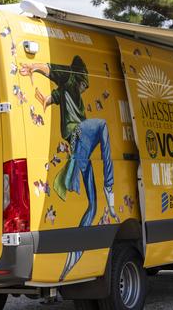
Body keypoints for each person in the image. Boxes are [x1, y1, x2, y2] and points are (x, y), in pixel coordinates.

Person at [20, 56, 119, 281]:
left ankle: (71, 261)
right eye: (85, 81)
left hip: (79, 146)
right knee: (102, 125)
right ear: (79, 73)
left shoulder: (68, 91)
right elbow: (52, 69)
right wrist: (34, 67)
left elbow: (55, 96)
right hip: (79, 133)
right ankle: (110, 188)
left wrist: (45, 99)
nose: (86, 86)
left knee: (92, 207)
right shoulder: (70, 77)